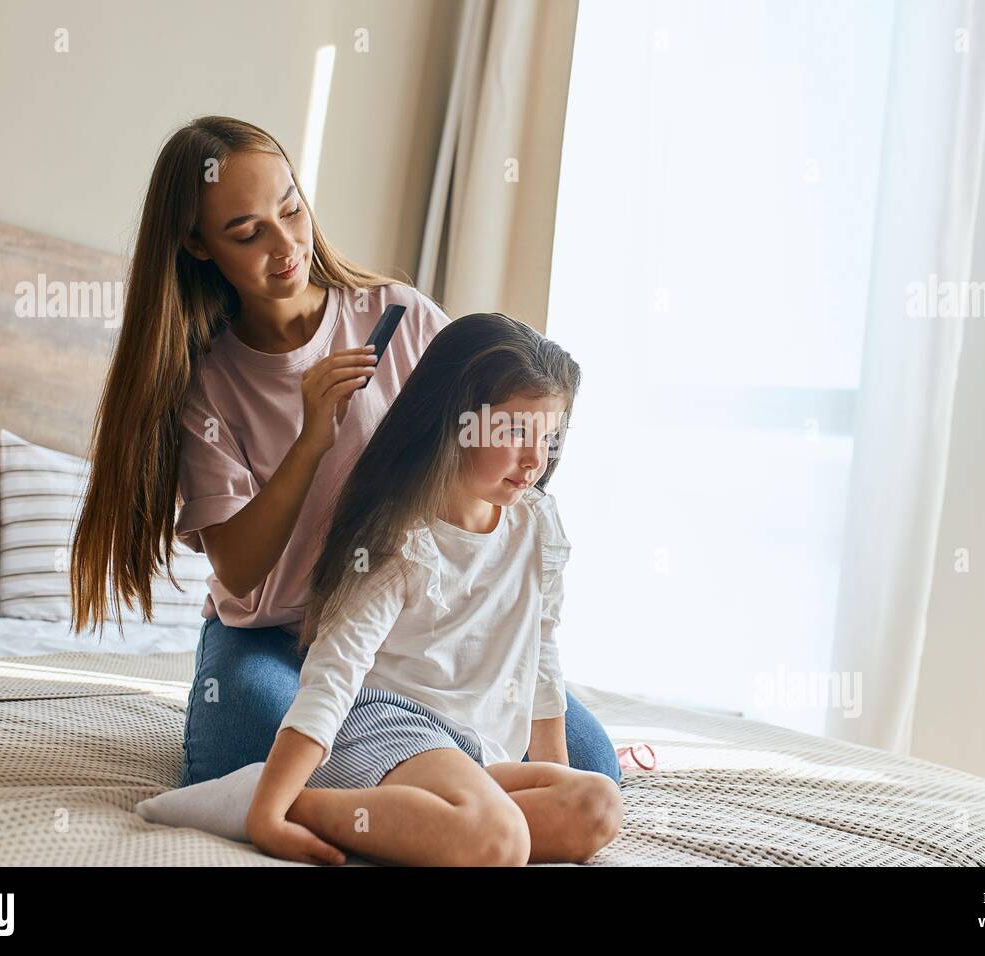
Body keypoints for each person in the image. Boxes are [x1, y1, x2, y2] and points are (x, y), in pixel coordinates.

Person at [66, 116, 621, 827]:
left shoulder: (401, 318)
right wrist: (309, 441)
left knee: (592, 769)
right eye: (247, 232)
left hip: (408, 635)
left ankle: (443, 812)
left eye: (291, 209)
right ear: (198, 246)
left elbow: (497, 467)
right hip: (277, 633)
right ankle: (414, 811)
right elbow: (240, 572)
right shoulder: (207, 385)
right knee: (257, 742)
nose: (285, 244)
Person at [242, 312, 622, 866]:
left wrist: (555, 778)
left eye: (550, 437)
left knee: (597, 804)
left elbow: (542, 656)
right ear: (456, 422)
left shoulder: (537, 524)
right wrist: (268, 813)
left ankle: (444, 826)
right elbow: (335, 670)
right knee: (500, 839)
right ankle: (283, 804)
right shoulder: (401, 537)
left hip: (475, 751)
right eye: (514, 432)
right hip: (390, 725)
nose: (536, 461)